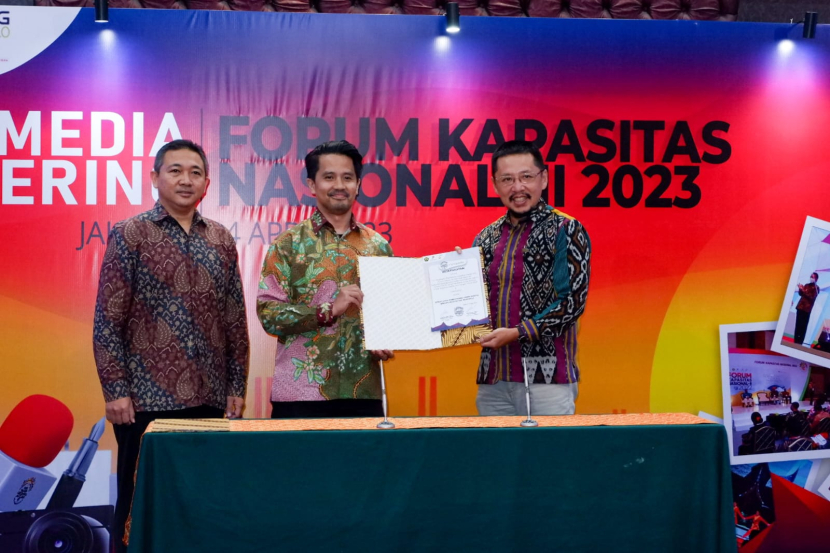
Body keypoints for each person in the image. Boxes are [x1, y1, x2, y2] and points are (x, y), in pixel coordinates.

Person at [93, 139, 249, 552]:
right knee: (139, 505)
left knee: (203, 504)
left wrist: (236, 386)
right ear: (155, 177)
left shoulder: (220, 239)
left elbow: (234, 319)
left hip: (209, 398)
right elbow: (108, 320)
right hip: (145, 401)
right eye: (175, 170)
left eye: (195, 172)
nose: (186, 180)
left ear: (207, 183)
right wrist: (116, 390)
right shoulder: (131, 234)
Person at [257, 140, 393, 418]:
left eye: (348, 177)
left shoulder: (378, 247)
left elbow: (389, 313)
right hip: (300, 393)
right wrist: (328, 310)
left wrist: (387, 338)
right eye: (329, 177)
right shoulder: (287, 245)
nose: (339, 185)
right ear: (312, 184)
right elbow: (269, 314)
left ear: (358, 184)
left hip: (362, 391)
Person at [471, 140, 591, 416]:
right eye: (507, 179)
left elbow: (572, 303)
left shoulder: (566, 229)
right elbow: (474, 303)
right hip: (494, 379)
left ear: (543, 178)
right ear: (495, 185)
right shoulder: (485, 237)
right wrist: (456, 270)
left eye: (526, 176)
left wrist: (518, 333)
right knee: (494, 446)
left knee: (549, 447)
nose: (518, 187)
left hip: (547, 380)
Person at [793, 272, 819, 346]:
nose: (811, 278)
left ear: (816, 279)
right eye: (811, 276)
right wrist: (800, 289)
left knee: (803, 326)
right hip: (800, 307)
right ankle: (795, 341)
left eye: (813, 277)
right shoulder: (807, 285)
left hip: (807, 310)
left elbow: (811, 297)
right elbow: (801, 294)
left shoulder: (816, 288)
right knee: (798, 325)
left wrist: (803, 290)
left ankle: (800, 342)